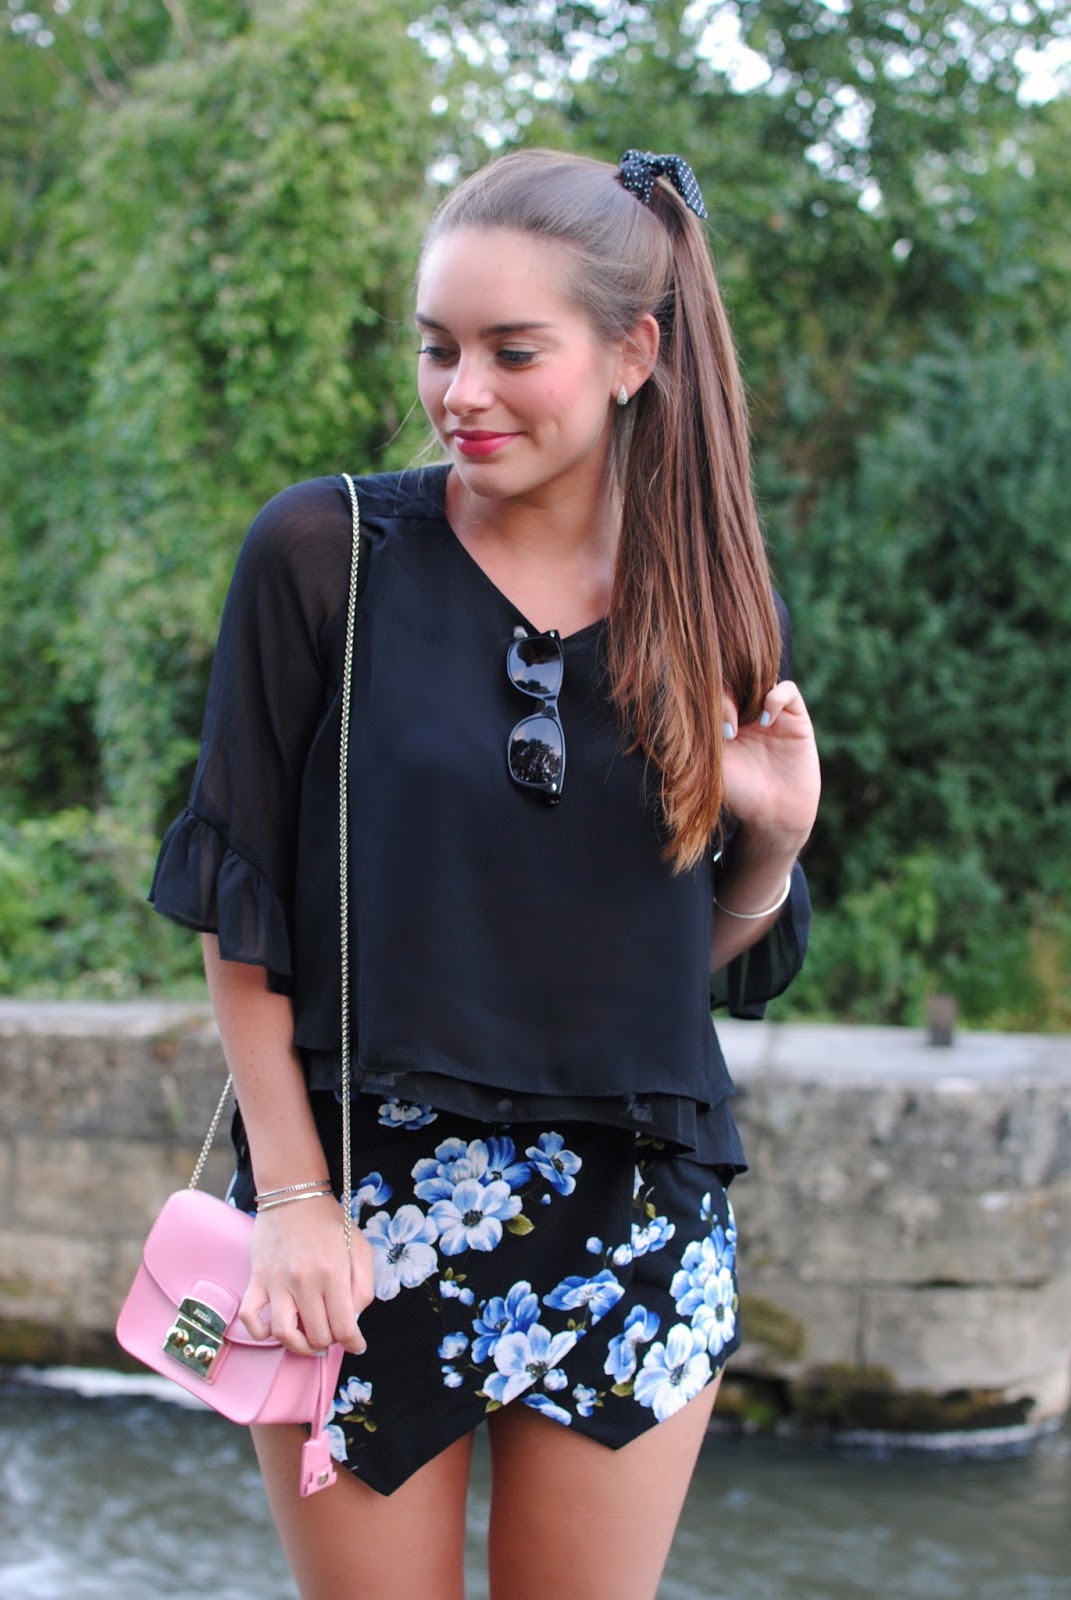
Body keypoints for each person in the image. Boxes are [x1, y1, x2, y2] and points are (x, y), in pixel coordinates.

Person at [150, 146, 820, 1600]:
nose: (462, 391)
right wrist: (293, 1197)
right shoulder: (325, 555)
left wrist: (769, 846)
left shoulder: (715, 605)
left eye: (513, 352)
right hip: (358, 1211)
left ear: (636, 354)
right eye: (437, 347)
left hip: (634, 1215)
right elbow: (241, 900)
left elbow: (664, 968)